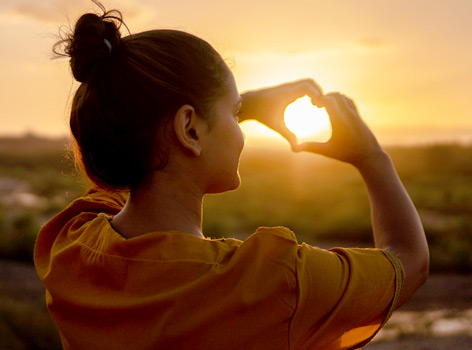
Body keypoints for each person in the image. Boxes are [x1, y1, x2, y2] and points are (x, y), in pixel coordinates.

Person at [34, 2, 429, 349]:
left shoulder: (69, 246)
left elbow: (135, 155)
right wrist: (372, 158)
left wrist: (224, 110)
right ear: (188, 129)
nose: (240, 128)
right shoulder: (270, 282)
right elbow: (409, 261)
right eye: (235, 114)